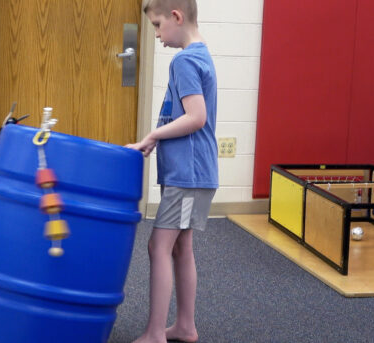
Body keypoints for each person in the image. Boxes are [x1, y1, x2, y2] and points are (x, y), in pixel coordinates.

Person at [125, 0, 218, 342]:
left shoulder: (184, 60)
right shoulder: (200, 54)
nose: (157, 36)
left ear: (177, 17)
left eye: (158, 26)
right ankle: (184, 326)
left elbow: (196, 117)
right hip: (188, 174)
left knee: (158, 246)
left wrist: (151, 135)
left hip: (189, 176)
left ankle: (155, 333)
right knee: (181, 246)